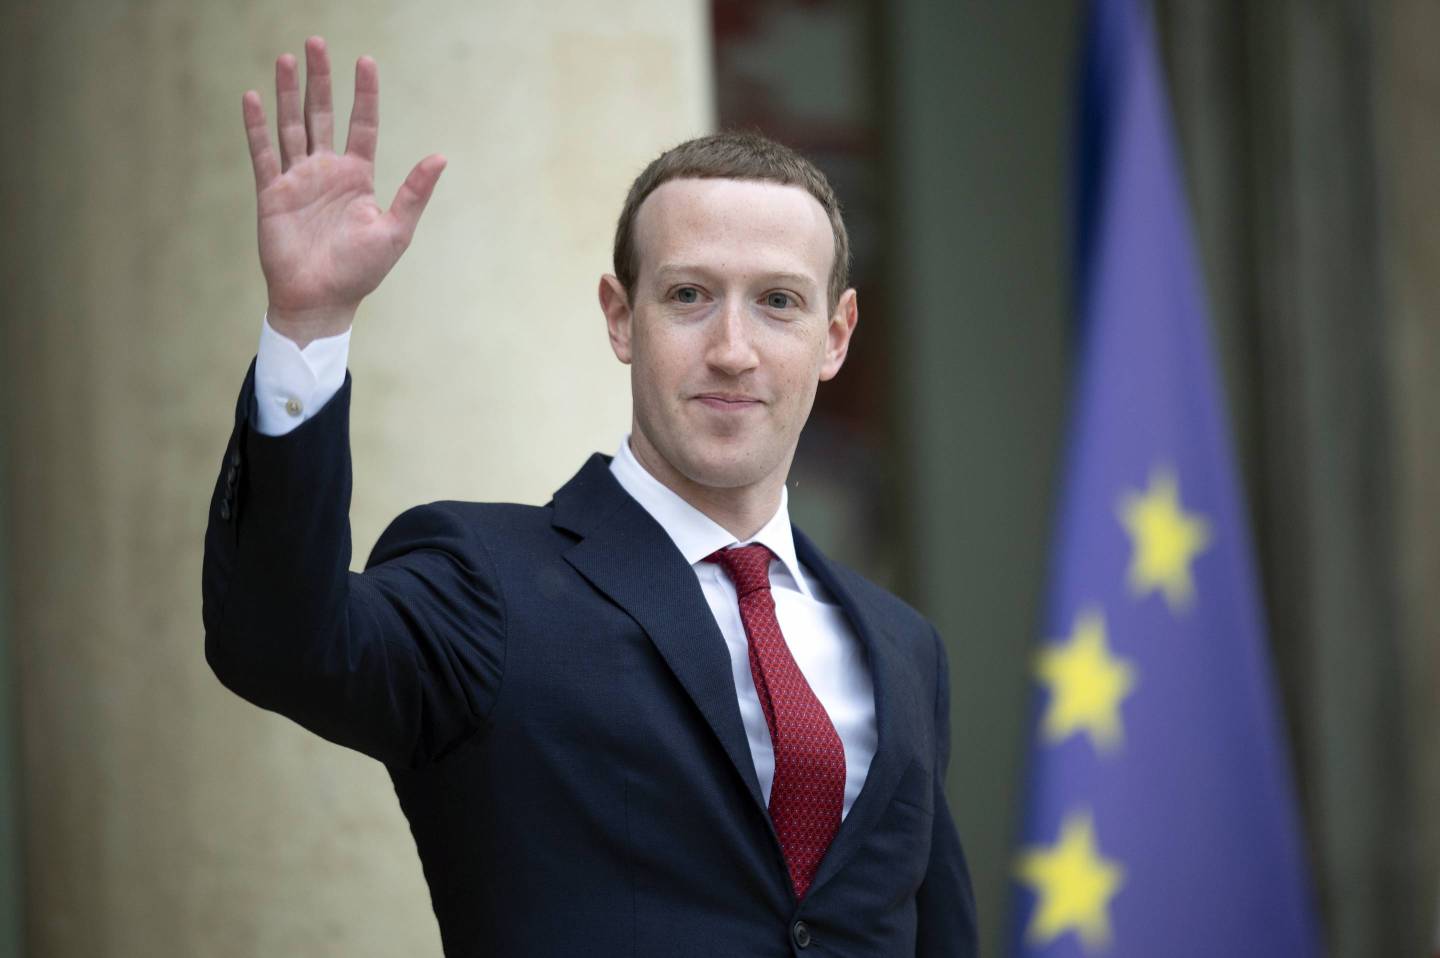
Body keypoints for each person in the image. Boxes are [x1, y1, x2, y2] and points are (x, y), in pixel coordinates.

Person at [202, 35, 977, 957]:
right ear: (621, 316)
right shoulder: (485, 583)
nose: (733, 348)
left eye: (778, 301)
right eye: (690, 295)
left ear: (836, 334)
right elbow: (278, 643)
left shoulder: (903, 648)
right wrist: (308, 325)